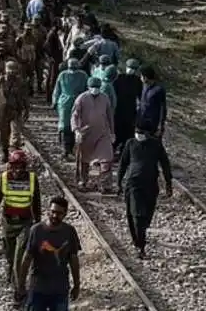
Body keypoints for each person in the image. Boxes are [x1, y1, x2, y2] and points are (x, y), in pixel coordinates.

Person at [117, 125, 173, 259]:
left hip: (151, 186)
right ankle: (140, 246)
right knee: (137, 216)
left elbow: (165, 163)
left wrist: (168, 183)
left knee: (147, 215)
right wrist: (119, 182)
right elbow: (123, 164)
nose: (140, 134)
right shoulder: (130, 144)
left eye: (143, 132)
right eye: (138, 132)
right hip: (133, 185)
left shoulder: (155, 145)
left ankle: (139, 236)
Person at [16, 196, 81, 310]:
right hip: (38, 288)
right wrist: (21, 285)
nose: (55, 216)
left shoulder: (69, 231)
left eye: (59, 213)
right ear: (48, 211)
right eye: (53, 212)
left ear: (65, 214)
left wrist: (77, 285)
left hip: (60, 289)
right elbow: (27, 259)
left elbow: (74, 260)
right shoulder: (36, 230)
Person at [0, 150, 41, 287]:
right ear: (10, 166)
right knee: (10, 254)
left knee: (20, 256)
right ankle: (11, 272)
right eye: (15, 166)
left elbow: (36, 203)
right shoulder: (4, 178)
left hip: (25, 222)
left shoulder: (32, 179)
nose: (18, 169)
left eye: (21, 166)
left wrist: (38, 224)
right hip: (8, 222)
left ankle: (19, 290)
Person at [71, 77, 115, 193]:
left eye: (97, 87)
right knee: (83, 160)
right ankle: (82, 181)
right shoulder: (81, 98)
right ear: (88, 87)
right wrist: (76, 130)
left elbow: (109, 115)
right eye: (93, 87)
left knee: (107, 158)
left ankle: (105, 184)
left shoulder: (105, 98)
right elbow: (74, 116)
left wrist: (112, 132)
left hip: (102, 133)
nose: (95, 90)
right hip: (86, 134)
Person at [52, 58, 89, 161]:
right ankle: (67, 149)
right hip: (75, 101)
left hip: (65, 102)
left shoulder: (63, 74)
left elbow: (56, 90)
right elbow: (87, 89)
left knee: (66, 126)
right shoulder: (83, 75)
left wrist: (54, 101)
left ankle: (67, 149)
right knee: (72, 126)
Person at [113, 59, 143, 155]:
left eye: (134, 68)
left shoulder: (138, 81)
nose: (131, 70)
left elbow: (140, 97)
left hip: (130, 111)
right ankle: (111, 152)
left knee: (128, 134)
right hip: (118, 110)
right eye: (130, 68)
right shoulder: (119, 78)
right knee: (116, 132)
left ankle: (123, 153)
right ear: (126, 67)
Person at [136, 65, 167, 139]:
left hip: (153, 125)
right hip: (142, 122)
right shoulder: (143, 86)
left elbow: (163, 109)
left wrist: (160, 127)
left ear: (145, 77)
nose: (140, 78)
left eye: (141, 76)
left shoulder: (158, 90)